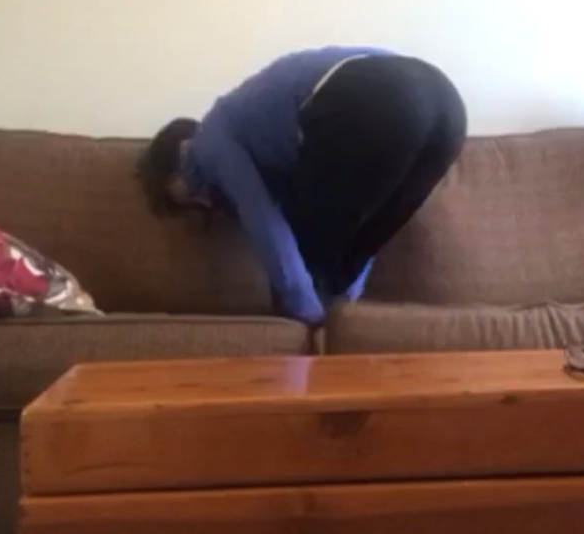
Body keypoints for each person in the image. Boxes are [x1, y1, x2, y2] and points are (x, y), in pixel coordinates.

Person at [138, 46, 467, 325]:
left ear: (182, 150)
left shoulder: (210, 137)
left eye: (189, 189)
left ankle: (310, 351)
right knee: (359, 239)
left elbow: (265, 224)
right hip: (446, 105)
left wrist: (308, 318)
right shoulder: (271, 144)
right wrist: (345, 308)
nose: (204, 201)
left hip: (378, 96)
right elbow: (364, 234)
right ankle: (337, 324)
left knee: (300, 261)